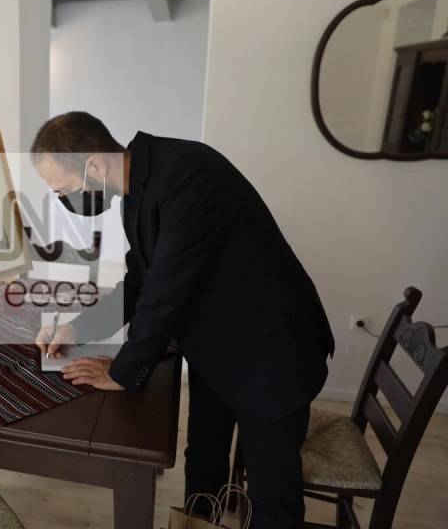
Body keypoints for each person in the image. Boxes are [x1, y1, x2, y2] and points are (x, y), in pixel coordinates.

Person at [30, 112, 334, 529]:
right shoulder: (137, 185)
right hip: (217, 345)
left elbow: (164, 295)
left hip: (269, 352)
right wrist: (77, 329)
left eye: (64, 190)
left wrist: (121, 372)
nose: (66, 201)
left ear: (94, 166)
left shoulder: (187, 175)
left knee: (272, 499)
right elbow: (140, 280)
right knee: (204, 456)